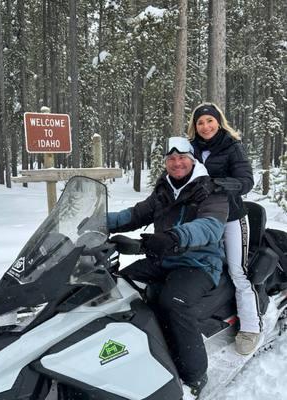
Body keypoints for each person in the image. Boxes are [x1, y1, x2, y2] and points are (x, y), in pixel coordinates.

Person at [108, 137, 228, 398]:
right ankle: (135, 352)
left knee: (174, 302)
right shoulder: (164, 190)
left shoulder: (211, 190)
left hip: (200, 263)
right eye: (171, 159)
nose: (177, 163)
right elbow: (136, 214)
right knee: (118, 286)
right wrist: (99, 220)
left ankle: (194, 375)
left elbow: (209, 227)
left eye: (182, 157)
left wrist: (173, 237)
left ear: (192, 160)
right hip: (163, 259)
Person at [187, 103, 261, 355]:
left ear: (219, 121)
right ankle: (207, 315)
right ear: (194, 126)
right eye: (200, 122)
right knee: (201, 267)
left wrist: (216, 184)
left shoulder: (232, 146)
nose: (205, 126)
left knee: (237, 271)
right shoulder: (190, 148)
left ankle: (250, 326)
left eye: (209, 121)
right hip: (202, 218)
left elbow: (246, 181)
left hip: (231, 216)